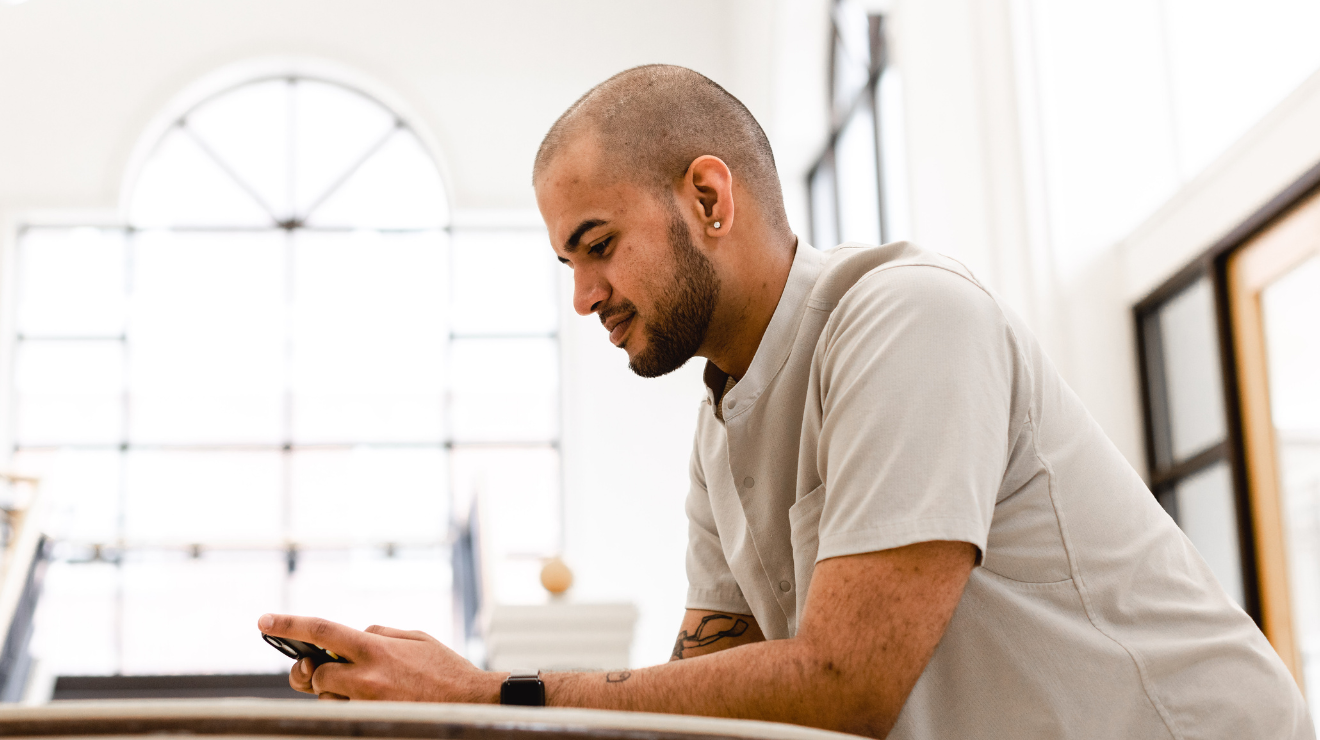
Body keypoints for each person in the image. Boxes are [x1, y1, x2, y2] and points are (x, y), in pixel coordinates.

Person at [258, 65, 1312, 739]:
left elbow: (845, 682)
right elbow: (709, 707)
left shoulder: (908, 319)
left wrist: (488, 693)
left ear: (708, 199)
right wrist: (457, 719)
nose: (582, 296)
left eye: (597, 246)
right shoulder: (721, 427)